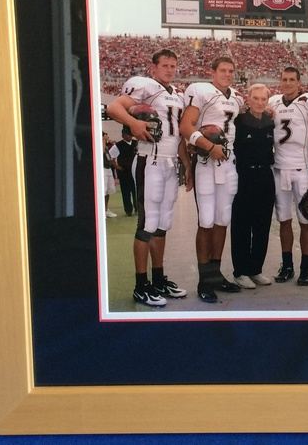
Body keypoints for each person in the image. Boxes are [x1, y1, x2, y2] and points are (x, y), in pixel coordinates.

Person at [106, 49, 190, 307]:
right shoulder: (146, 86)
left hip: (170, 161)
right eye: (164, 65)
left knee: (163, 223)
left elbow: (177, 136)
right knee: (147, 223)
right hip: (149, 160)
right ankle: (140, 285)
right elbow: (113, 106)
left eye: (173, 65)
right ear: (153, 68)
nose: (169, 69)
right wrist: (133, 123)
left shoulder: (176, 94)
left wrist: (186, 163)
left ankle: (158, 279)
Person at [179, 56, 244, 303]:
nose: (227, 74)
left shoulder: (236, 98)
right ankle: (204, 280)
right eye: (223, 70)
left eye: (231, 71)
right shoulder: (201, 91)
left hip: (228, 163)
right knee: (206, 221)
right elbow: (186, 126)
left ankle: (216, 274)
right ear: (213, 72)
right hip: (207, 162)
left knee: (222, 219)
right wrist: (207, 145)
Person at [268, 67, 308, 286]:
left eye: (292, 80)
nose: (288, 83)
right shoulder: (273, 102)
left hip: (302, 169)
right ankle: (287, 265)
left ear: (299, 82)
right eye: (284, 79)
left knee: (305, 221)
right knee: (284, 220)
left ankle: (306, 268)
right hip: (279, 168)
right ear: (280, 81)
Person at [229, 84, 276, 289]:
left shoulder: (270, 122)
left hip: (265, 175)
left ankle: (256, 269)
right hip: (244, 175)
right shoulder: (238, 121)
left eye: (263, 99)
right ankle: (240, 271)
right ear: (248, 99)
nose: (259, 102)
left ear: (267, 100)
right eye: (255, 98)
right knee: (241, 225)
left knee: (262, 225)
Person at [115, 131, 137, 216]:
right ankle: (128, 210)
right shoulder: (118, 145)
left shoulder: (136, 143)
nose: (130, 136)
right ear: (123, 135)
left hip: (134, 171)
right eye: (128, 134)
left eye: (131, 134)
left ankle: (137, 208)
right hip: (124, 172)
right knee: (126, 192)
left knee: (136, 191)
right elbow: (111, 157)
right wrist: (117, 167)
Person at [102, 132, 119, 219]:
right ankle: (102, 211)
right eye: (106, 135)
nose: (108, 136)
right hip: (103, 169)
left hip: (108, 169)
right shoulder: (100, 145)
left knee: (109, 191)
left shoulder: (107, 147)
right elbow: (102, 151)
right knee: (103, 191)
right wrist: (103, 140)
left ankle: (106, 209)